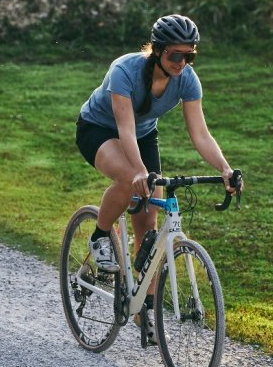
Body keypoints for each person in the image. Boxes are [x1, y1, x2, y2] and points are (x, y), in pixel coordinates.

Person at [76, 14, 237, 277]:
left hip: (143, 135)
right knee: (130, 179)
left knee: (149, 218)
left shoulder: (187, 78)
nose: (183, 63)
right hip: (99, 128)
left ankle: (145, 306)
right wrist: (139, 170)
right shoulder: (124, 71)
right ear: (158, 50)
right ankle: (100, 235)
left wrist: (225, 168)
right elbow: (125, 128)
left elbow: (200, 135)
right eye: (176, 56)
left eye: (190, 56)